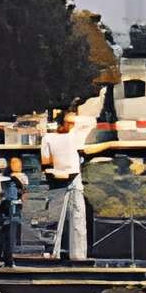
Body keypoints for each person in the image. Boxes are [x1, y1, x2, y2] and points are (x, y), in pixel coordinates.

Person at [39, 110, 88, 262]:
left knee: (74, 219)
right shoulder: (51, 138)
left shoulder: (72, 136)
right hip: (59, 179)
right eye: (70, 123)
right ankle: (54, 252)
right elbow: (46, 160)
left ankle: (72, 255)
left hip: (69, 180)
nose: (72, 126)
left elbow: (46, 160)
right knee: (60, 218)